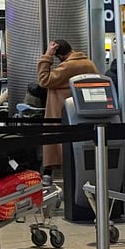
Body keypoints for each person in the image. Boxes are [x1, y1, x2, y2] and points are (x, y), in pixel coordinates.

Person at [36, 39, 98, 175]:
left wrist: (47, 56)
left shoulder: (69, 66)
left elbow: (43, 80)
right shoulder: (88, 63)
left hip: (63, 115)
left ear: (59, 56)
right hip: (82, 115)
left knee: (65, 156)